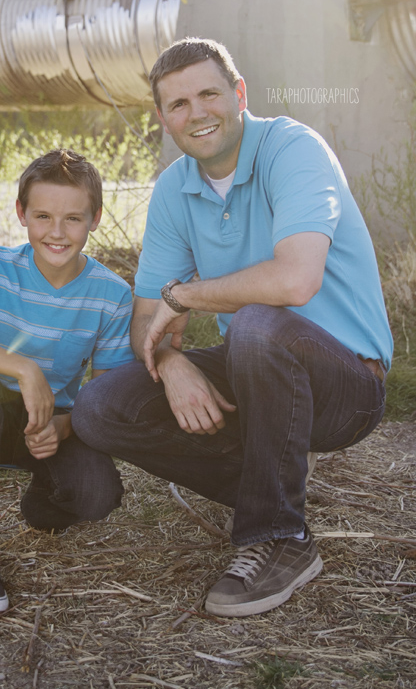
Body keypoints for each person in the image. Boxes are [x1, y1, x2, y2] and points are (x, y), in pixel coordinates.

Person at [72, 38, 392, 618]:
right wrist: (172, 363)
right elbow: (150, 317)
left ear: (239, 94)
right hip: (256, 368)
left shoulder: (293, 148)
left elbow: (295, 282)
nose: (196, 114)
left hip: (346, 384)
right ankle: (274, 483)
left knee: (257, 325)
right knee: (101, 407)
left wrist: (187, 295)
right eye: (177, 104)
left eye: (209, 94)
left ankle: (279, 539)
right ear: (164, 119)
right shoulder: (174, 187)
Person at [0, 149, 135, 614]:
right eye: (43, 216)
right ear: (21, 214)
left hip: (53, 423)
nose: (57, 232)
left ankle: (43, 495)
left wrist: (65, 426)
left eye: (73, 218)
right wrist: (24, 368)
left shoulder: (112, 294)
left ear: (95, 219)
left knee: (98, 495)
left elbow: (108, 392)